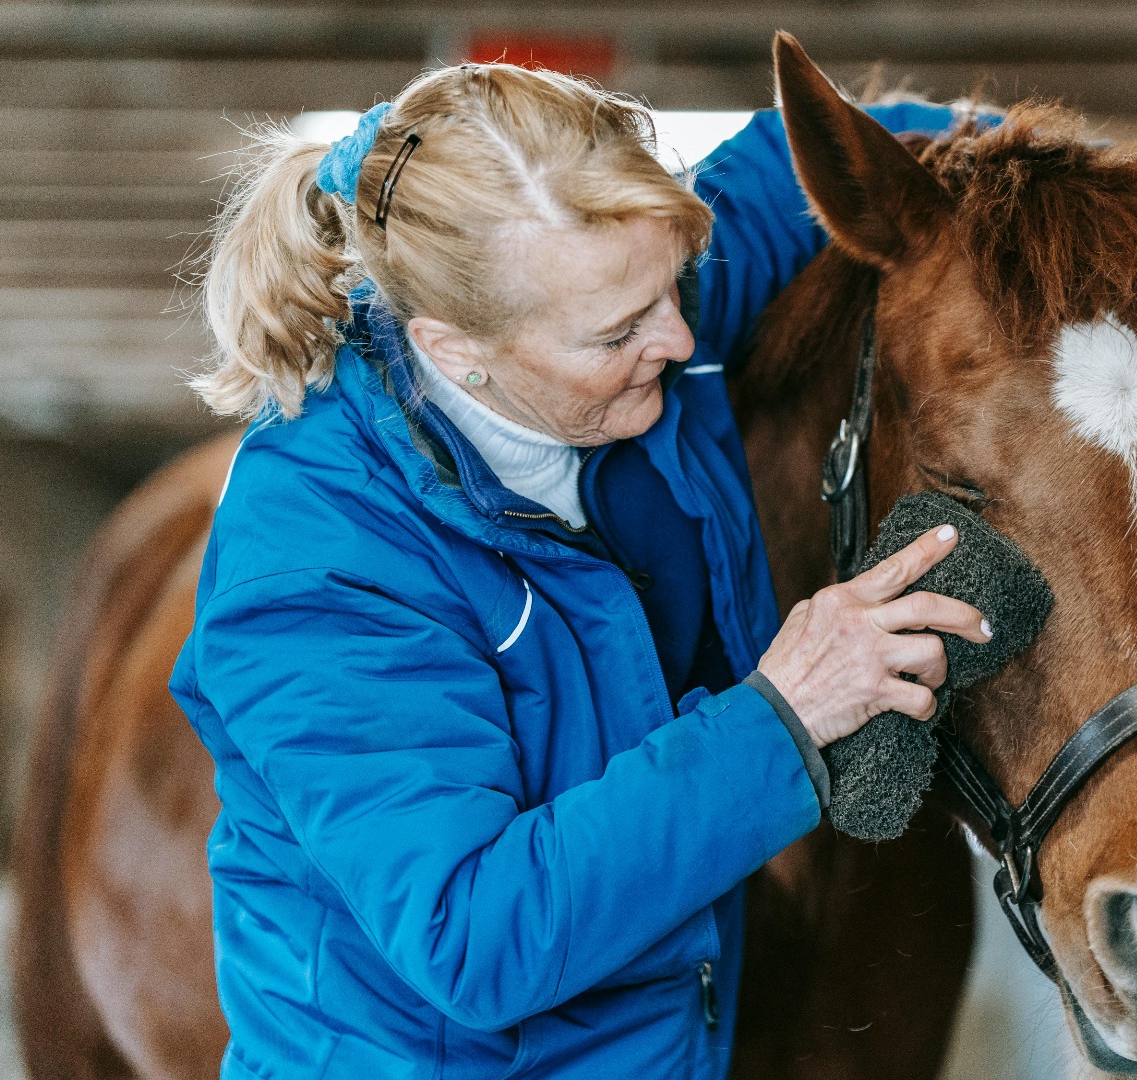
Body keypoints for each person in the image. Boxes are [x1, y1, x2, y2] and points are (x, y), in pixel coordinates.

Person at [171, 63, 990, 1079]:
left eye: (674, 287)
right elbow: (474, 935)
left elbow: (817, 152)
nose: (683, 339)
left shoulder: (622, 288)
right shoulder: (317, 563)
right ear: (456, 350)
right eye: (619, 333)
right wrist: (783, 715)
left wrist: (1087, 204)